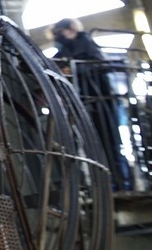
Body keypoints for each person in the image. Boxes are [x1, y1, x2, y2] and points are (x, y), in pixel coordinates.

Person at [50, 19, 131, 189]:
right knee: (92, 146)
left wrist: (73, 70)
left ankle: (121, 184)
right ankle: (104, 185)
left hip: (101, 102)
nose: (58, 37)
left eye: (60, 32)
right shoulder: (66, 48)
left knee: (110, 143)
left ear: (71, 29)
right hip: (85, 103)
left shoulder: (85, 42)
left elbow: (99, 64)